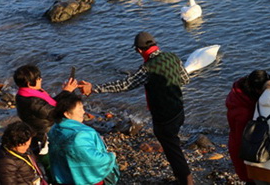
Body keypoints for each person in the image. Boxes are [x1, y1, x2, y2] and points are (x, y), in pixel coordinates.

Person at [80, 32, 192, 185]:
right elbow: (185, 79)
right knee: (174, 144)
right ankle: (181, 177)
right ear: (154, 44)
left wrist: (94, 89)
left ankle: (186, 181)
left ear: (139, 50)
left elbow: (124, 85)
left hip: (163, 117)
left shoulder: (147, 69)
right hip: (179, 110)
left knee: (173, 150)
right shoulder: (173, 57)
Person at [13, 64, 79, 176]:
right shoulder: (32, 101)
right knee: (51, 164)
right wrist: (66, 92)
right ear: (30, 83)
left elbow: (49, 105)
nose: (41, 79)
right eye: (38, 78)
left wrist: (65, 92)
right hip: (43, 138)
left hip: (40, 133)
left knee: (53, 163)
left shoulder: (24, 94)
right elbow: (55, 112)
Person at [47, 91, 118, 185]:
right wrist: (111, 157)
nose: (84, 112)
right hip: (86, 180)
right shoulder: (80, 135)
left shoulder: (54, 128)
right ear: (67, 114)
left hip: (63, 177)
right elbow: (93, 160)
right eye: (80, 109)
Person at [226, 69, 270, 184]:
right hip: (244, 150)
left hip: (235, 141)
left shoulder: (237, 96)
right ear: (257, 90)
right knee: (252, 179)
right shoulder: (246, 112)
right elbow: (247, 141)